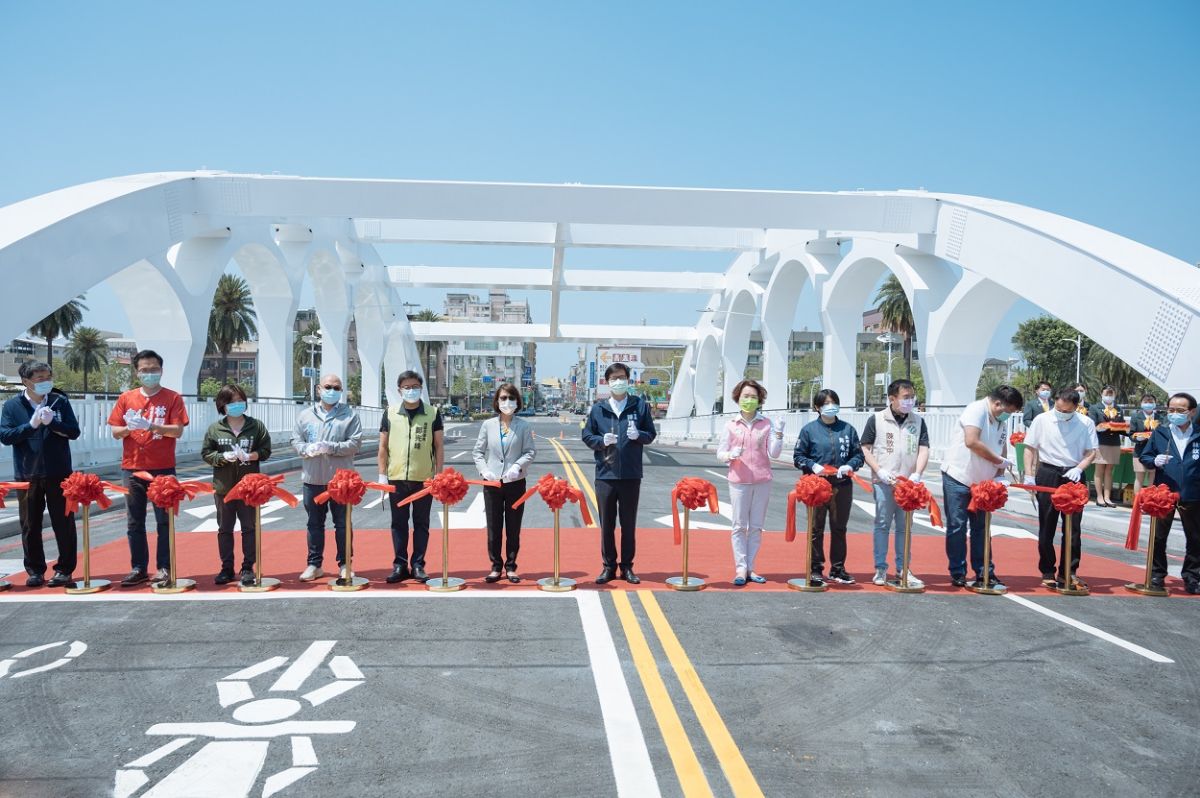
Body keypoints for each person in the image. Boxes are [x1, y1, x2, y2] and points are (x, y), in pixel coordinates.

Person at [107, 350, 189, 586]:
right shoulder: (126, 398)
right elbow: (115, 432)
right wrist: (130, 428)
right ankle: (138, 568)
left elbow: (177, 430)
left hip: (163, 468)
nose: (149, 373)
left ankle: (164, 567)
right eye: (144, 370)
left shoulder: (172, 398)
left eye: (154, 369)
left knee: (164, 521)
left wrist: (151, 426)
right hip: (132, 468)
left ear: (161, 370)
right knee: (134, 521)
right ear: (137, 372)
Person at [0, 361, 80, 588]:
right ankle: (35, 570)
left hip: (59, 472)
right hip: (27, 474)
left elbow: (73, 431)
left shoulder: (59, 401)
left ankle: (64, 569)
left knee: (63, 523)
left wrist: (53, 423)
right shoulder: (12, 406)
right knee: (30, 524)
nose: (46, 382)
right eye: (40, 378)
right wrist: (31, 425)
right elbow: (6, 436)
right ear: (26, 381)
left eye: (48, 377)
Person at [939, 385, 1024, 589]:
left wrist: (1000, 473)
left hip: (983, 484)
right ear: (997, 403)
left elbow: (1001, 446)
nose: (1008, 416)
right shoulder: (976, 410)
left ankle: (985, 571)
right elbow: (971, 441)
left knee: (982, 528)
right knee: (957, 526)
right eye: (1008, 411)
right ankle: (958, 571)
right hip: (959, 477)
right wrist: (997, 460)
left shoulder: (1000, 420)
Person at [581, 362, 657, 584]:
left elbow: (651, 434)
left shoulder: (639, 406)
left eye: (622, 377)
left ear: (628, 380)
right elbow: (587, 436)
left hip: (631, 474)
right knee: (607, 525)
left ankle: (627, 567)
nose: (618, 381)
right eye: (614, 378)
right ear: (607, 382)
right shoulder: (599, 409)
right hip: (605, 474)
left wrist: (639, 435)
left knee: (628, 524)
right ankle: (608, 566)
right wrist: (600, 441)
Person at [1022, 388, 1099, 589]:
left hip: (1074, 474)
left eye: (1067, 411)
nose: (1062, 413)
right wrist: (1029, 475)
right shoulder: (1042, 420)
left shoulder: (1086, 423)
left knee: (1073, 527)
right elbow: (1030, 448)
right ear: (1055, 402)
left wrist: (1079, 468)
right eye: (1059, 409)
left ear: (1076, 407)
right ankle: (1047, 570)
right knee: (1047, 524)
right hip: (1048, 472)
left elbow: (1092, 452)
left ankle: (1068, 572)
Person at [861, 379, 931, 587]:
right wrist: (879, 470)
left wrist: (917, 474)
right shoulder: (877, 419)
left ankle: (903, 568)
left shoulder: (918, 421)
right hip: (884, 481)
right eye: (906, 397)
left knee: (905, 527)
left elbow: (924, 449)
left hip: (908, 484)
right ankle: (881, 568)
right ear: (892, 399)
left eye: (912, 397)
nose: (910, 401)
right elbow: (865, 448)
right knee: (882, 524)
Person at [293, 373, 362, 582]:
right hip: (313, 479)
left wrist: (330, 447)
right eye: (328, 386)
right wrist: (305, 449)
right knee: (314, 523)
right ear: (318, 389)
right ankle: (314, 564)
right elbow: (296, 440)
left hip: (341, 482)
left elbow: (354, 444)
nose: (332, 391)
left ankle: (345, 564)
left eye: (336, 388)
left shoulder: (350, 415)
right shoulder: (305, 415)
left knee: (342, 524)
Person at [200, 384, 271, 586]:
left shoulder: (256, 426)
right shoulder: (215, 429)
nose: (237, 405)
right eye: (232, 402)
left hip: (250, 489)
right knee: (225, 529)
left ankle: (248, 567)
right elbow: (206, 454)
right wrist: (223, 457)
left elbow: (266, 451)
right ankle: (226, 568)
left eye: (240, 401)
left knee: (249, 528)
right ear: (222, 405)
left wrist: (250, 456)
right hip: (224, 487)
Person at [792, 388, 864, 586]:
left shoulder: (848, 430)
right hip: (816, 486)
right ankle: (815, 568)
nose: (830, 407)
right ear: (817, 407)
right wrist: (813, 466)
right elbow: (798, 456)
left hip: (842, 484)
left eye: (834, 403)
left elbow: (859, 455)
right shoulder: (809, 430)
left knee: (839, 527)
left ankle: (838, 569)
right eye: (825, 404)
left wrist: (850, 465)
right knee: (816, 528)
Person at [716, 379, 783, 586]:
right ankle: (740, 568)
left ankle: (751, 567)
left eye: (753, 397)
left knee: (756, 527)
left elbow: (774, 453)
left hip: (762, 480)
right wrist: (730, 455)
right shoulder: (731, 424)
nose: (749, 400)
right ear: (738, 398)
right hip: (738, 481)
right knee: (738, 526)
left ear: (759, 400)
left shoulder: (766, 423)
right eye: (746, 396)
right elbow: (720, 453)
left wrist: (779, 433)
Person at [378, 370, 443, 584]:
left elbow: (439, 446)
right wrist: (382, 475)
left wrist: (438, 475)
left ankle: (418, 565)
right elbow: (383, 447)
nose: (411, 390)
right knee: (398, 523)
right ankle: (400, 564)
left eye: (415, 387)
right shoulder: (390, 413)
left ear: (421, 388)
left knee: (421, 523)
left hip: (424, 479)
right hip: (396, 478)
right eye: (407, 387)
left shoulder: (432, 413)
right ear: (399, 390)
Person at [473, 383, 536, 582]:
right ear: (497, 401)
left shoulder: (523, 426)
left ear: (517, 401)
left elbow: (530, 452)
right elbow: (478, 452)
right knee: (494, 526)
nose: (507, 402)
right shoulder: (488, 425)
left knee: (513, 526)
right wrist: (484, 470)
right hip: (492, 483)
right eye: (503, 398)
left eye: (511, 398)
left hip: (515, 481)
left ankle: (511, 566)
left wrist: (518, 466)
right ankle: (495, 566)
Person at [1137, 392, 1200, 594]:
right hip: (1164, 494)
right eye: (1171, 410)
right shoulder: (1161, 432)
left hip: (1192, 493)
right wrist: (1154, 461)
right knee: (1158, 537)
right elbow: (1145, 456)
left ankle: (1192, 577)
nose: (1174, 414)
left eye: (1180, 410)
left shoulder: (1198, 433)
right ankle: (1157, 575)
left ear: (1192, 412)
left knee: (1195, 538)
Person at [1088, 385, 1126, 507]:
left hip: (1114, 442)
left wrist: (1124, 428)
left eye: (1111, 394)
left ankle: (1107, 497)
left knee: (1109, 471)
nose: (1109, 396)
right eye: (1107, 394)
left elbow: (1122, 425)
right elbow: (1092, 424)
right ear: (1101, 394)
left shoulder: (1118, 409)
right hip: (1100, 442)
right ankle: (1099, 497)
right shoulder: (1095, 408)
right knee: (1099, 470)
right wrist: (1100, 428)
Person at [1128, 393, 1162, 499]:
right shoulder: (1136, 417)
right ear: (1141, 403)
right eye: (1146, 402)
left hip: (1154, 452)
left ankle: (1149, 500)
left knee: (1152, 477)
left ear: (1155, 404)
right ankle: (1137, 501)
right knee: (1139, 477)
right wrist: (1138, 438)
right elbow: (1131, 434)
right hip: (1140, 451)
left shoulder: (1159, 417)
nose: (1148, 404)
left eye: (1151, 402)